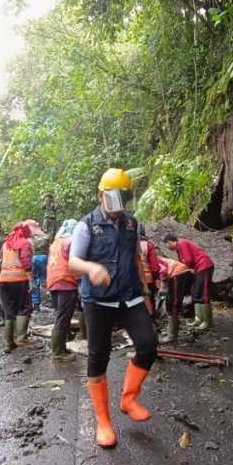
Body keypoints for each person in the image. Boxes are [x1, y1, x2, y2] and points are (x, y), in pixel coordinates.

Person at [68, 168, 157, 449]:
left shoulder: (132, 224)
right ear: (101, 195)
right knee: (99, 356)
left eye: (123, 199)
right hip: (97, 300)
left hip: (129, 295)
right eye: (114, 198)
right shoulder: (86, 225)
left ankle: (129, 398)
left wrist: (145, 291)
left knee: (148, 344)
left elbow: (135, 258)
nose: (119, 205)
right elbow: (73, 262)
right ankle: (103, 421)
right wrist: (91, 268)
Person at [163, 233, 215, 331]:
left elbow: (188, 260)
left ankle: (207, 322)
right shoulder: (179, 248)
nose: (168, 248)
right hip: (198, 269)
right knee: (196, 293)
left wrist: (182, 268)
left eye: (167, 245)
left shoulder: (181, 243)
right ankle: (198, 319)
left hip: (204, 266)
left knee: (202, 293)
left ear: (169, 242)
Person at [46, 219, 80, 362]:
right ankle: (58, 352)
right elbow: (75, 262)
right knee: (63, 317)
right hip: (65, 281)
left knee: (60, 316)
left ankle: (62, 347)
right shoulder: (70, 242)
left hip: (54, 281)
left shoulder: (56, 243)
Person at [0, 222, 34, 351]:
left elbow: (1, 261)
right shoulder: (24, 243)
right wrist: (30, 279)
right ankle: (21, 338)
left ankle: (8, 343)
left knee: (9, 310)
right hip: (19, 279)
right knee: (23, 307)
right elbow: (26, 261)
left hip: (4, 279)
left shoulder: (5, 244)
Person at [157, 257, 193, 344]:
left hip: (178, 273)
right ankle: (172, 332)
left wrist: (163, 285)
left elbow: (163, 269)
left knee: (173, 302)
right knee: (172, 301)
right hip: (179, 272)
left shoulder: (151, 258)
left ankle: (172, 336)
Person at [138, 225, 162, 318]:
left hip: (132, 280)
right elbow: (155, 267)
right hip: (148, 280)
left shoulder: (126, 243)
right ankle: (152, 323)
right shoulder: (148, 245)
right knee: (150, 300)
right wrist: (156, 278)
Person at [29, 220, 49, 310]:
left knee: (35, 280)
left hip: (34, 258)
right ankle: (49, 300)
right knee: (45, 280)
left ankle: (36, 303)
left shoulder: (31, 236)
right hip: (44, 257)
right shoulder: (45, 236)